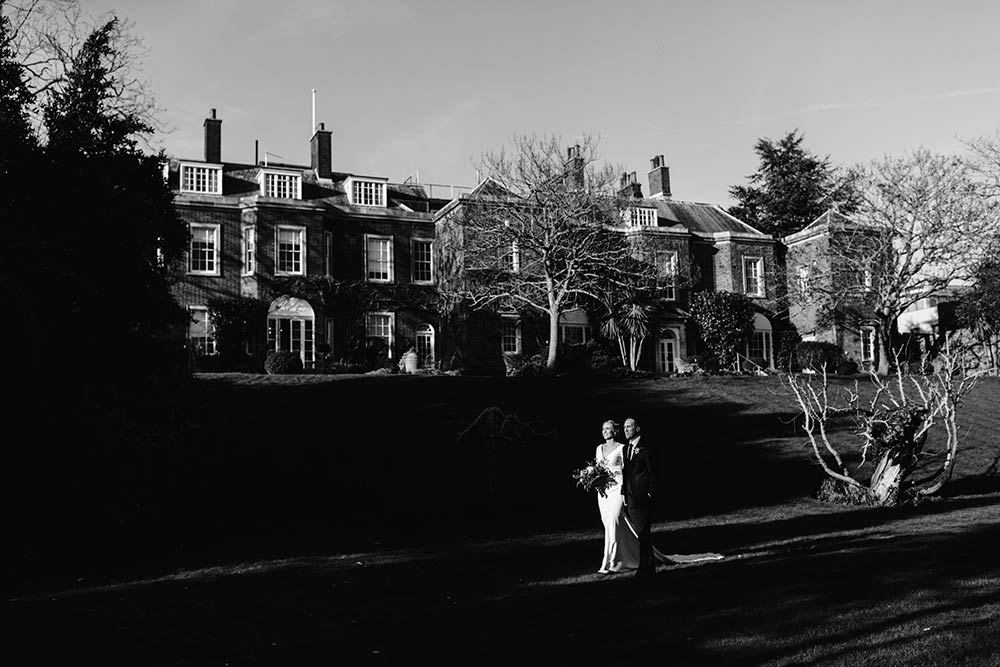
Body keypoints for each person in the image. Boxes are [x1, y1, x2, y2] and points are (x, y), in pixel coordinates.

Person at [594, 420, 638, 574]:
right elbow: (597, 468)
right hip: (603, 492)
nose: (605, 431)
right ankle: (625, 556)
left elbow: (626, 471)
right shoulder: (599, 448)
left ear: (615, 431)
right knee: (609, 525)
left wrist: (626, 491)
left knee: (614, 519)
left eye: (608, 429)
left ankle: (614, 562)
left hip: (617, 489)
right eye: (603, 429)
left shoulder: (622, 448)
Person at [621, 416, 657, 578]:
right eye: (624, 427)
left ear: (637, 428)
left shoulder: (646, 447)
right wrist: (623, 492)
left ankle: (644, 568)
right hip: (630, 497)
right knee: (642, 534)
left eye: (629, 426)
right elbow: (625, 473)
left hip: (642, 497)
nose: (626, 430)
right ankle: (649, 567)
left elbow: (653, 472)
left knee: (643, 533)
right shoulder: (625, 449)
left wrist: (649, 492)